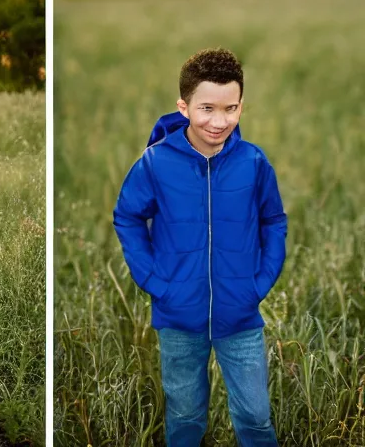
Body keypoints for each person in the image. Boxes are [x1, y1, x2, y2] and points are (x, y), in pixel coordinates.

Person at [113, 48, 287, 446]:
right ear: (184, 107)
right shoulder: (156, 163)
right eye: (207, 108)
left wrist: (257, 285)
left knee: (256, 418)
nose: (219, 121)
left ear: (241, 106)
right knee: (186, 416)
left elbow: (274, 221)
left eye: (231, 108)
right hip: (178, 315)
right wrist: (157, 282)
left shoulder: (253, 162)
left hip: (240, 315)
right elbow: (127, 217)